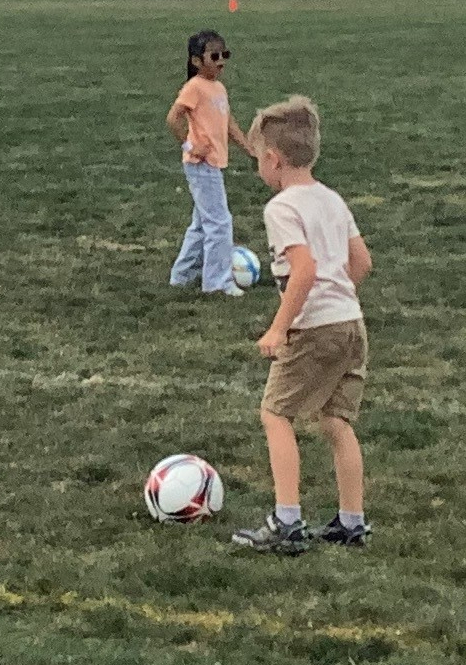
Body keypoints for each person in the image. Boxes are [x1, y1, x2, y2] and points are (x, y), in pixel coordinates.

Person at [230, 95, 375, 555]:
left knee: (275, 414)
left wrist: (279, 327)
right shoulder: (331, 199)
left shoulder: (282, 208)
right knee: (336, 420)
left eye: (258, 159)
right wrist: (338, 296)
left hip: (315, 329)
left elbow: (305, 270)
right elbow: (361, 262)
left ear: (273, 159)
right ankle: (352, 522)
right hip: (351, 323)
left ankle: (287, 521)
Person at [167, 30, 256, 296]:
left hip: (213, 164)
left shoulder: (218, 88)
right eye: (214, 56)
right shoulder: (194, 87)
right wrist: (190, 146)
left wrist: (249, 149)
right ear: (196, 61)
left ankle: (182, 276)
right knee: (219, 223)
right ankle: (217, 282)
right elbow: (173, 118)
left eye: (224, 55)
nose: (221, 61)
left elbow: (228, 123)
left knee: (201, 223)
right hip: (201, 164)